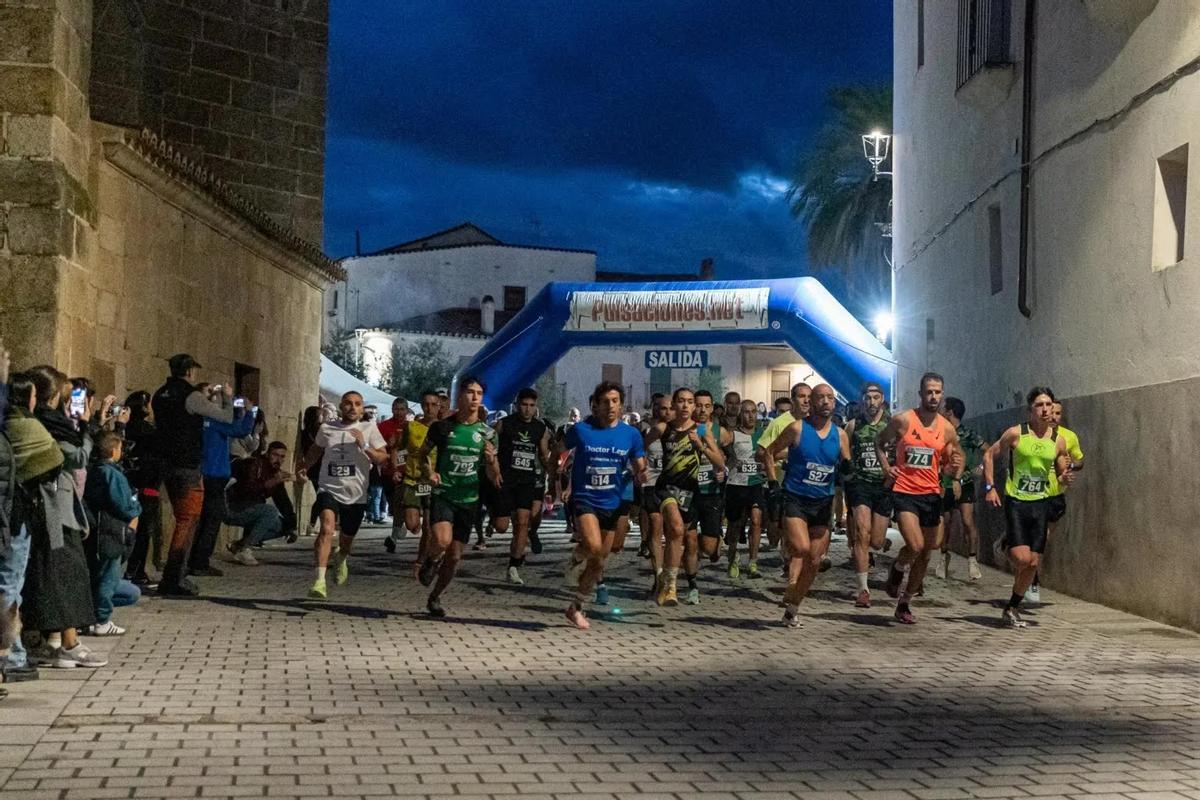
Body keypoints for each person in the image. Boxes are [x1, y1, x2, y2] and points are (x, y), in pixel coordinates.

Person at [23, 366, 106, 667]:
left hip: (51, 508)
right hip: (53, 509)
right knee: (66, 575)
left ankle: (44, 640)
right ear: (53, 395)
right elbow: (76, 457)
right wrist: (85, 427)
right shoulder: (48, 424)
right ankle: (68, 643)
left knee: (48, 575)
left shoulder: (37, 421)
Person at [875, 372, 963, 625]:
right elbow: (879, 441)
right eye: (929, 392)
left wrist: (953, 473)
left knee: (927, 553)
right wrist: (885, 466)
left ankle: (905, 603)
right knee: (915, 546)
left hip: (931, 494)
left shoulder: (946, 429)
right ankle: (898, 568)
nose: (933, 396)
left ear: (942, 394)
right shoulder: (903, 420)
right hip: (905, 491)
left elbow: (952, 459)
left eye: (937, 392)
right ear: (920, 394)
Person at [982, 387, 1074, 627]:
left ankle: (1012, 607)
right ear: (1030, 410)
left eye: (1048, 405)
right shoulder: (1016, 434)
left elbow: (1062, 467)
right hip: (1017, 502)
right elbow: (989, 455)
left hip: (1041, 503)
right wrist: (990, 487)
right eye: (1040, 405)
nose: (1045, 410)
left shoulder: (1058, 440)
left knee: (1034, 563)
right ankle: (1006, 544)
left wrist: (1064, 477)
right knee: (1022, 559)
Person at [559, 381, 647, 628]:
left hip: (613, 500)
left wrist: (641, 472)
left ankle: (575, 607)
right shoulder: (581, 430)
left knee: (600, 560)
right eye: (605, 401)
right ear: (595, 405)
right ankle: (579, 554)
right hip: (585, 498)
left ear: (621, 405)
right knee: (595, 547)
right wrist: (555, 475)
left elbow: (639, 462)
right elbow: (558, 452)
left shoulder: (630, 434)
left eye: (615, 401)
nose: (610, 406)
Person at [765, 384, 850, 628]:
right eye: (820, 397)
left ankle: (792, 609)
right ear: (811, 403)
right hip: (796, 498)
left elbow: (847, 463)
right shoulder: (797, 428)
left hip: (823, 501)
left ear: (835, 404)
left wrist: (847, 470)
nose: (825, 402)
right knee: (801, 548)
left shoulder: (840, 434)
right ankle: (790, 576)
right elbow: (769, 452)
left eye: (830, 398)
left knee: (814, 559)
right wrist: (773, 483)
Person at [151, 354, 236, 596]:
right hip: (187, 464)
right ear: (189, 372)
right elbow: (226, 418)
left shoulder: (160, 394)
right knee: (187, 520)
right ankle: (174, 577)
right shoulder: (191, 395)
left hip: (165, 462)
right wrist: (227, 399)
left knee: (182, 517)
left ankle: (174, 574)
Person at [416, 377, 499, 618]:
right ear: (460, 396)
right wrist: (429, 473)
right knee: (442, 540)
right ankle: (431, 560)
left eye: (479, 394)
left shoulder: (488, 433)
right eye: (471, 392)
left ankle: (435, 596)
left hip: (469, 499)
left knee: (454, 557)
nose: (475, 398)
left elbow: (495, 476)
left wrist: (492, 459)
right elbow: (422, 455)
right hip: (444, 493)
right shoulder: (442, 427)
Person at [295, 391, 388, 600]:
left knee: (346, 540)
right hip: (329, 487)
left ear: (362, 408)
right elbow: (315, 451)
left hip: (356, 494)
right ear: (340, 407)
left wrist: (364, 446)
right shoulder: (327, 429)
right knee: (327, 528)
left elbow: (383, 457)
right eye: (348, 404)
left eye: (357, 404)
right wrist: (303, 467)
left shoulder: (369, 428)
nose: (352, 408)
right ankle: (319, 581)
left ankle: (342, 557)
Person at [645, 387, 724, 606]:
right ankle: (671, 588)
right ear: (674, 405)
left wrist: (701, 446)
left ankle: (666, 579)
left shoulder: (700, 431)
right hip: (666, 488)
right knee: (677, 528)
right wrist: (638, 466)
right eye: (681, 401)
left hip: (690, 492)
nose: (686, 406)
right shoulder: (663, 428)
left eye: (690, 402)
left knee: (675, 537)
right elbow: (639, 448)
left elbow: (720, 463)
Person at [1, 364, 45, 684]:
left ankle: (12, 652)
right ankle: (10, 655)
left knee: (12, 583)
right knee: (9, 583)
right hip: (14, 517)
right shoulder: (17, 428)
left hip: (15, 516)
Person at [190, 385, 255, 577]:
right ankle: (200, 562)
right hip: (215, 474)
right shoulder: (213, 420)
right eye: (210, 392)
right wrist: (248, 410)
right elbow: (240, 429)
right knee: (212, 519)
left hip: (201, 472)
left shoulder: (196, 420)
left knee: (200, 519)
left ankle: (193, 559)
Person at [492, 388, 554, 586]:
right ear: (517, 405)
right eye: (524, 405)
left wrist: (554, 473)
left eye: (531, 406)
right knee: (501, 527)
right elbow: (490, 447)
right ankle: (496, 518)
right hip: (505, 480)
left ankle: (513, 566)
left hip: (526, 481)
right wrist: (492, 470)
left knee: (522, 522)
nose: (527, 410)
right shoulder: (505, 424)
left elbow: (543, 455)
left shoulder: (540, 429)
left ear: (536, 407)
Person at [1025, 400, 1084, 604]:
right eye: (1052, 412)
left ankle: (1031, 579)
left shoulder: (1068, 437)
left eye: (1058, 413)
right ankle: (1032, 582)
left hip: (1055, 496)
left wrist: (1071, 465)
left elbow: (1080, 460)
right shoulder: (1032, 435)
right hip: (1032, 496)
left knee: (1041, 541)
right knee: (1033, 541)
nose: (1054, 416)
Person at [83, 430, 141, 636]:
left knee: (103, 577)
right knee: (108, 577)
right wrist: (136, 505)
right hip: (110, 533)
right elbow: (125, 505)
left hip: (99, 533)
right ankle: (102, 620)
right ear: (113, 450)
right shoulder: (111, 474)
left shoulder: (94, 470)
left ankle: (91, 616)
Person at [844, 382, 893, 608]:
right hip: (860, 485)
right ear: (862, 400)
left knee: (876, 540)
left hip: (884, 486)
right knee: (862, 534)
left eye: (875, 397)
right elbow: (843, 452)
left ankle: (884, 543)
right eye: (867, 397)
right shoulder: (853, 425)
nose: (871, 402)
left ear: (882, 399)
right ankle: (863, 589)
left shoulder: (892, 425)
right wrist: (847, 473)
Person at [935, 397, 986, 582]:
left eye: (943, 408)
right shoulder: (939, 433)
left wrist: (980, 467)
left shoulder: (967, 434)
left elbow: (988, 449)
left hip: (964, 483)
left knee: (967, 520)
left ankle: (972, 560)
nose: (940, 411)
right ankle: (943, 557)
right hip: (943, 483)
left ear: (950, 412)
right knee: (945, 522)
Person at [225, 441, 295, 565]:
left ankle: (239, 545)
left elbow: (283, 501)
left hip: (251, 510)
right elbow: (246, 491)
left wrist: (292, 526)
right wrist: (271, 482)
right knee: (270, 511)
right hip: (232, 508)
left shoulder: (275, 473)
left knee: (282, 525)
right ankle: (246, 549)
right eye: (275, 455)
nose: (278, 460)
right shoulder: (254, 465)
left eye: (282, 456)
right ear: (268, 454)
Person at [121, 391, 161, 587]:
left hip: (133, 484)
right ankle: (136, 571)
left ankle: (133, 570)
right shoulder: (148, 431)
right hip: (146, 486)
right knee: (144, 530)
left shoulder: (127, 428)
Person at [397, 390, 440, 569]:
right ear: (421, 406)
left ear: (439, 407)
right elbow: (401, 450)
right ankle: (405, 523)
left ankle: (421, 561)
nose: (429, 408)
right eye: (426, 404)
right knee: (412, 524)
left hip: (433, 482)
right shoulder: (412, 427)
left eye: (433, 405)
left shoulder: (444, 428)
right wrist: (398, 469)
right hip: (413, 480)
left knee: (429, 527)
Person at [724, 399, 766, 580]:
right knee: (735, 524)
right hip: (736, 484)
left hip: (756, 483)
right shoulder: (733, 435)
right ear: (740, 414)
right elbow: (719, 450)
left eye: (753, 411)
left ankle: (753, 562)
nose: (750, 415)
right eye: (746, 412)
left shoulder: (763, 434)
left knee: (756, 521)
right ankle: (733, 557)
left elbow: (772, 453)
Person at [693, 390, 732, 568]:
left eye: (706, 406)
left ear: (712, 408)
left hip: (711, 491)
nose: (702, 410)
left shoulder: (721, 432)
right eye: (699, 405)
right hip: (689, 491)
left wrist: (723, 473)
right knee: (686, 536)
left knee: (709, 548)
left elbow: (731, 459)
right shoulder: (684, 428)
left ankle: (711, 542)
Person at [638, 393, 670, 595]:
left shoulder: (682, 429)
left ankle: (670, 572)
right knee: (656, 528)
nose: (664, 411)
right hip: (652, 484)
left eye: (668, 408)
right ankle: (658, 575)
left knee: (677, 532)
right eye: (660, 407)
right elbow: (638, 451)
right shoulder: (648, 430)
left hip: (674, 486)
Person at [377, 398, 410, 550]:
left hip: (407, 472)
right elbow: (376, 446)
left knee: (400, 504)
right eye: (396, 409)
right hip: (388, 471)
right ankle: (399, 526)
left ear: (407, 411)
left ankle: (394, 537)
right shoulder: (383, 426)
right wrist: (387, 446)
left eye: (402, 409)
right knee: (393, 505)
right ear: (392, 409)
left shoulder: (412, 427)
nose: (399, 412)